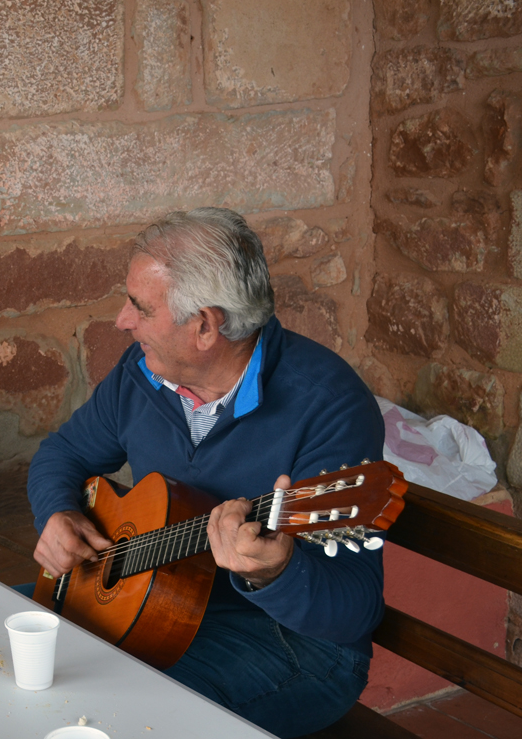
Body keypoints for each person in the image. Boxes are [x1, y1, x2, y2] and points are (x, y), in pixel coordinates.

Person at [27, 208, 384, 738]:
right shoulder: (141, 374)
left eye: (140, 307)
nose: (122, 321)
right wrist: (56, 511)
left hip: (292, 643)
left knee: (108, 714)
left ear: (205, 326)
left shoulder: (330, 406)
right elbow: (62, 454)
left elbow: (354, 610)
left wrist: (275, 573)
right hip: (156, 602)